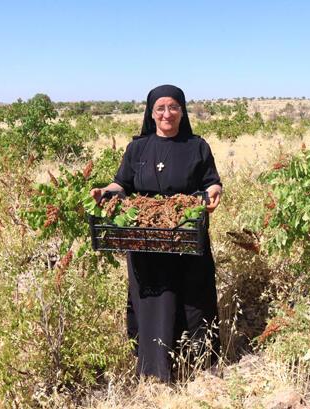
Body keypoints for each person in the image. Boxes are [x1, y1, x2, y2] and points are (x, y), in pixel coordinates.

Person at [90, 84, 222, 382]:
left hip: (186, 237)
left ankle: (200, 367)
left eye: (173, 107)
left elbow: (212, 182)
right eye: (160, 108)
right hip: (146, 240)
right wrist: (104, 192)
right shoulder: (138, 147)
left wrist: (214, 193)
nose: (167, 113)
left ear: (182, 111)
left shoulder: (197, 145)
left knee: (194, 299)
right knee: (153, 301)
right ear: (151, 113)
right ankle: (155, 370)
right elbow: (121, 184)